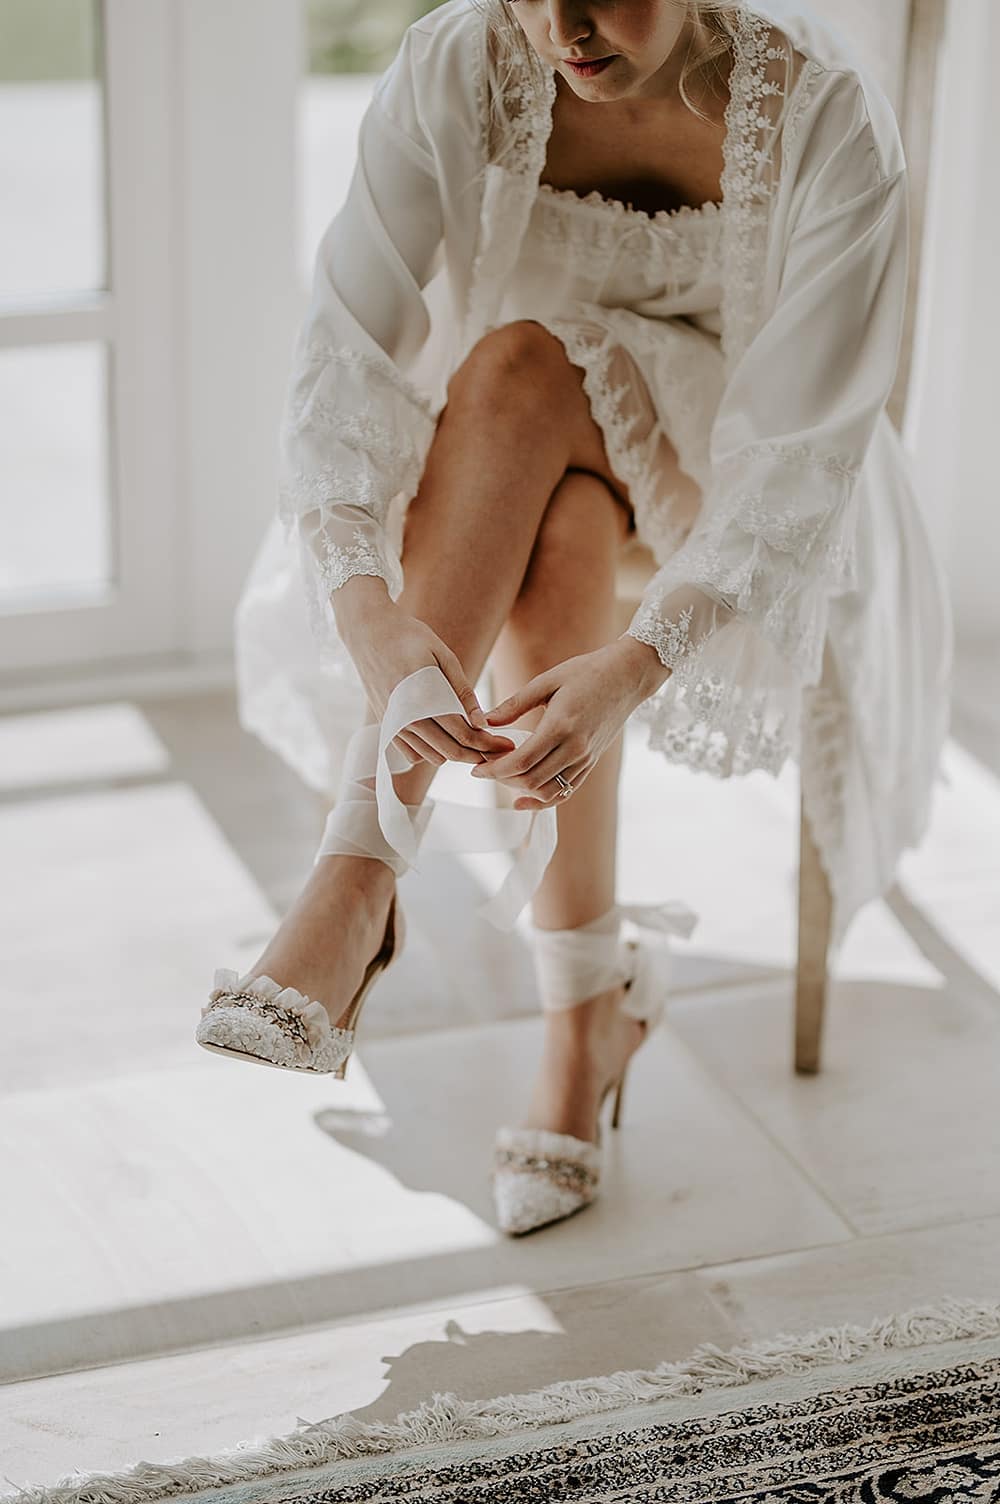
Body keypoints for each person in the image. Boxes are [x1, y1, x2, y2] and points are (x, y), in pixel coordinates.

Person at [197, 0, 953, 1236]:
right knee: (555, 502)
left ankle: (359, 874)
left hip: (752, 478)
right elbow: (348, 342)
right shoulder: (462, 62)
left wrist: (642, 661)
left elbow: (799, 452)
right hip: (517, 460)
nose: (564, 26)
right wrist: (367, 612)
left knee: (517, 365)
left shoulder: (824, 115)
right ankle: (582, 1019)